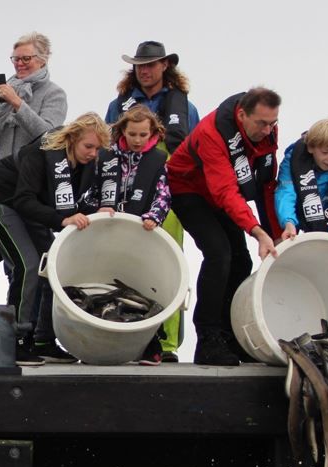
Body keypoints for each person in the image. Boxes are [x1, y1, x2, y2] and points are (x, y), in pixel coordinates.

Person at [0, 113, 112, 365]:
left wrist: (97, 211)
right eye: (89, 147)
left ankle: (43, 339)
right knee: (28, 265)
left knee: (53, 266)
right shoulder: (39, 154)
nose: (93, 153)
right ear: (72, 139)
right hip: (0, 201)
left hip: (35, 211)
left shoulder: (85, 164)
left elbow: (75, 203)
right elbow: (23, 199)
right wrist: (62, 220)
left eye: (98, 149)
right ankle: (15, 340)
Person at [166, 88, 281, 366]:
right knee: (219, 254)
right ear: (242, 115)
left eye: (273, 123)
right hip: (187, 189)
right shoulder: (211, 133)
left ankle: (231, 337)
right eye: (262, 123)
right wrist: (257, 231)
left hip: (220, 194)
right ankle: (208, 338)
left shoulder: (266, 130)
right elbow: (226, 191)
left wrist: (275, 234)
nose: (268, 130)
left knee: (241, 260)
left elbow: (266, 183)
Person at [105, 40, 201, 362]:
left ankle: (167, 343)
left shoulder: (185, 107)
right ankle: (120, 332)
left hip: (167, 195)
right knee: (121, 263)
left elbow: (196, 152)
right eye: (139, 65)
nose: (144, 70)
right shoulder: (118, 106)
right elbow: (106, 149)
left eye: (150, 64)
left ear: (165, 66)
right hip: (123, 194)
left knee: (166, 263)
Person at [95, 105, 173, 365]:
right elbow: (93, 187)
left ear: (152, 133)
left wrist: (154, 216)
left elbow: (164, 194)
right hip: (108, 231)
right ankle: (101, 343)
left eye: (143, 135)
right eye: (132, 134)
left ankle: (151, 344)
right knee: (106, 286)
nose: (137, 140)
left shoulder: (158, 160)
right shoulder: (106, 156)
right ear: (123, 132)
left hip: (140, 233)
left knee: (141, 287)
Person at [0, 32, 67, 164]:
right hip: (0, 176)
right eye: (16, 59)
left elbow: (49, 138)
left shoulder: (54, 93)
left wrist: (17, 103)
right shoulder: (6, 90)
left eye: (26, 58)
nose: (19, 63)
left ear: (43, 60)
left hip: (33, 177)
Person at [275, 119, 328, 244]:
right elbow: (286, 192)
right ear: (311, 148)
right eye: (325, 152)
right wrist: (288, 222)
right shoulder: (292, 161)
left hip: (325, 218)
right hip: (293, 216)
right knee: (280, 243)